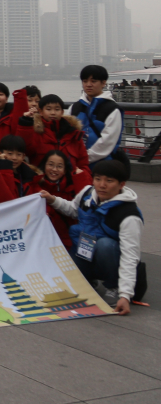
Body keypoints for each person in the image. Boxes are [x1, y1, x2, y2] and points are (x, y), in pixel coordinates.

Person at [40, 159, 143, 315]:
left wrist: (125, 295)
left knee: (105, 245)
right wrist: (52, 199)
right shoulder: (87, 193)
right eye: (98, 179)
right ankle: (88, 281)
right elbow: (73, 209)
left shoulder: (129, 215)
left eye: (109, 181)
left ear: (122, 184)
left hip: (110, 258)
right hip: (84, 250)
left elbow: (130, 256)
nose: (102, 185)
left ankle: (113, 287)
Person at [69, 65, 124, 166]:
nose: (88, 85)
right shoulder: (75, 107)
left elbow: (107, 142)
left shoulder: (112, 109)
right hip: (76, 165)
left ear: (103, 83)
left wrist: (83, 158)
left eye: (93, 81)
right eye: (85, 81)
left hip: (102, 166)